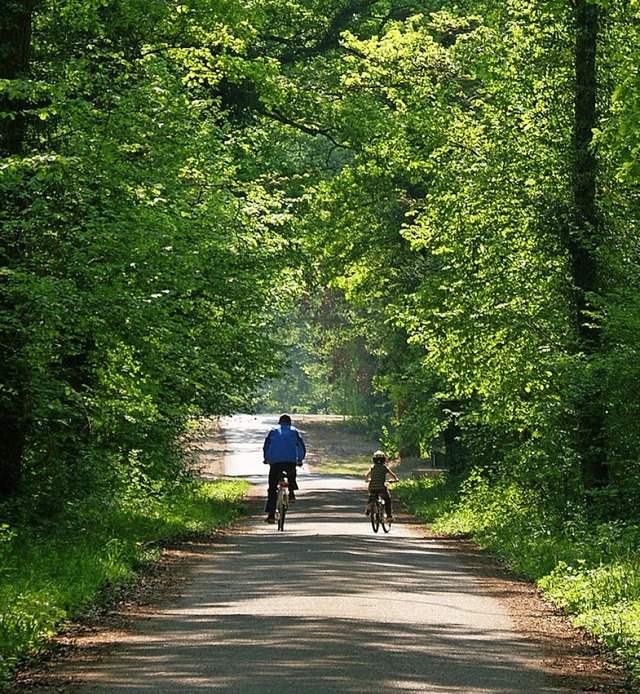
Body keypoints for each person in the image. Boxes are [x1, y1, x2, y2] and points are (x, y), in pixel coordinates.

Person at [263, 414, 306, 524]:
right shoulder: (294, 431)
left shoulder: (273, 431)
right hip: (290, 462)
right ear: (289, 422)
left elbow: (266, 446)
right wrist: (300, 459)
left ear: (280, 422)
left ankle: (271, 515)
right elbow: (301, 446)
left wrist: (266, 458)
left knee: (272, 488)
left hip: (275, 463)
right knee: (292, 472)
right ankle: (291, 493)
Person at [365, 450, 398, 521]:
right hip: (381, 487)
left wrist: (368, 480)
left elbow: (366, 477)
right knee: (387, 499)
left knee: (372, 495)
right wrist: (395, 480)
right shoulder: (384, 468)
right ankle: (389, 516)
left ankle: (369, 505)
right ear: (384, 460)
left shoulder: (372, 468)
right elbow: (394, 477)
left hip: (372, 487)